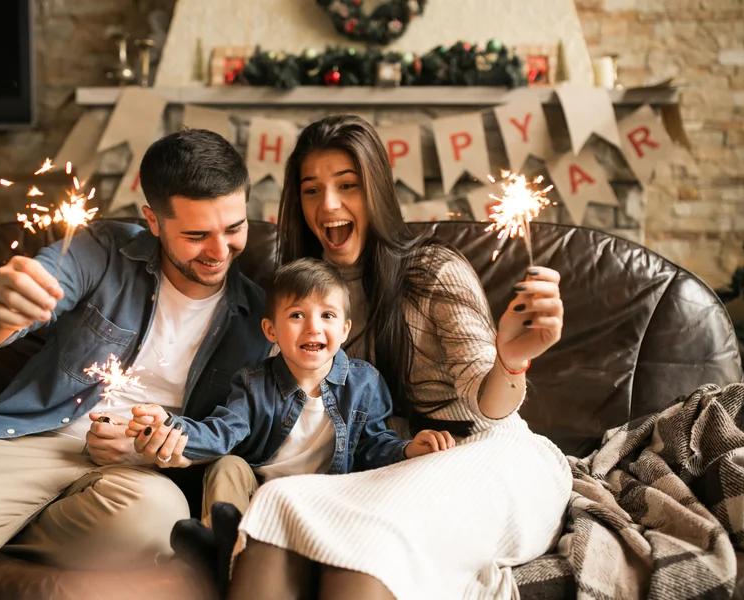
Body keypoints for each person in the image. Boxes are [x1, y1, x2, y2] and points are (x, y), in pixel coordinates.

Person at [0, 129, 272, 600]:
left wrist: (155, 449)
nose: (219, 251)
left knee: (155, 521)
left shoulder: (260, 320)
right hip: (28, 441)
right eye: (197, 235)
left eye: (234, 229)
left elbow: (240, 432)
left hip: (134, 475)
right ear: (154, 222)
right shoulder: (99, 249)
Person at [225, 115, 572, 600]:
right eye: (310, 190)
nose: (328, 205)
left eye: (347, 185)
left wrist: (509, 360)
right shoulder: (302, 293)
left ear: (378, 190)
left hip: (483, 452)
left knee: (365, 546)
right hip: (392, 464)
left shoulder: (432, 271)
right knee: (277, 501)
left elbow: (485, 405)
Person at [126, 256, 454, 526]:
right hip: (259, 495)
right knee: (227, 466)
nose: (313, 327)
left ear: (344, 329)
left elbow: (374, 445)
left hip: (327, 496)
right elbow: (221, 433)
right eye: (297, 315)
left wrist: (410, 449)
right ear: (271, 330)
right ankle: (222, 540)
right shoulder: (253, 383)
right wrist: (171, 426)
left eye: (327, 315)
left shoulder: (364, 382)